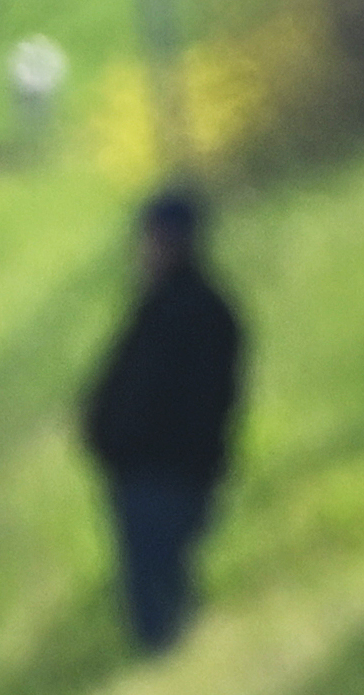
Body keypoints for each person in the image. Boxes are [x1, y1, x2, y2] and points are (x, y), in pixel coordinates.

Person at [74, 185, 241, 655]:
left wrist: (124, 442)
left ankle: (169, 662)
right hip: (155, 472)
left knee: (157, 584)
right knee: (154, 580)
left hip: (163, 474)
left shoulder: (188, 312)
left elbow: (170, 398)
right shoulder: (170, 306)